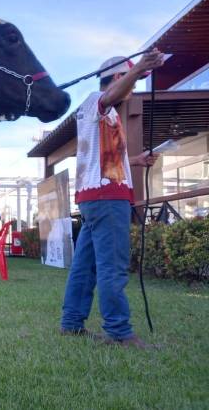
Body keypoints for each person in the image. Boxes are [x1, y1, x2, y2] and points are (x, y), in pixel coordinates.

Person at [60, 50, 165, 348]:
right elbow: (110, 95)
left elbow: (104, 160)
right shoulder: (98, 100)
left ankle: (71, 323)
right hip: (108, 198)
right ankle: (119, 331)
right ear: (119, 77)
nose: (134, 88)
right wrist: (140, 68)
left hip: (92, 197)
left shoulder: (93, 110)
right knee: (112, 266)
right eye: (132, 80)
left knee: (86, 266)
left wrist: (136, 159)